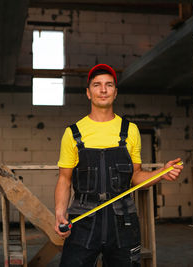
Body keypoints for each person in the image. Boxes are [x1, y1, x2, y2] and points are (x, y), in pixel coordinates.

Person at [54, 64, 183, 266]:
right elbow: (64, 178)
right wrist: (60, 213)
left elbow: (136, 176)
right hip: (83, 221)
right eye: (97, 85)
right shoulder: (73, 133)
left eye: (109, 85)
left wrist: (162, 172)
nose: (103, 90)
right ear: (88, 93)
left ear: (115, 92)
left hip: (124, 222)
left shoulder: (130, 131)